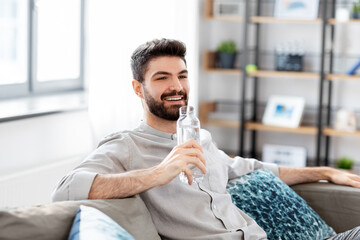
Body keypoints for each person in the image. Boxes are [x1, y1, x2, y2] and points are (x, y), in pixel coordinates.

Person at [52, 38, 360, 240]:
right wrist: (159, 173)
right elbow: (65, 190)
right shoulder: (126, 146)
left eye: (182, 75)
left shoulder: (202, 139)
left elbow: (252, 168)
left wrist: (324, 172)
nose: (177, 86)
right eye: (162, 78)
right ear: (137, 88)